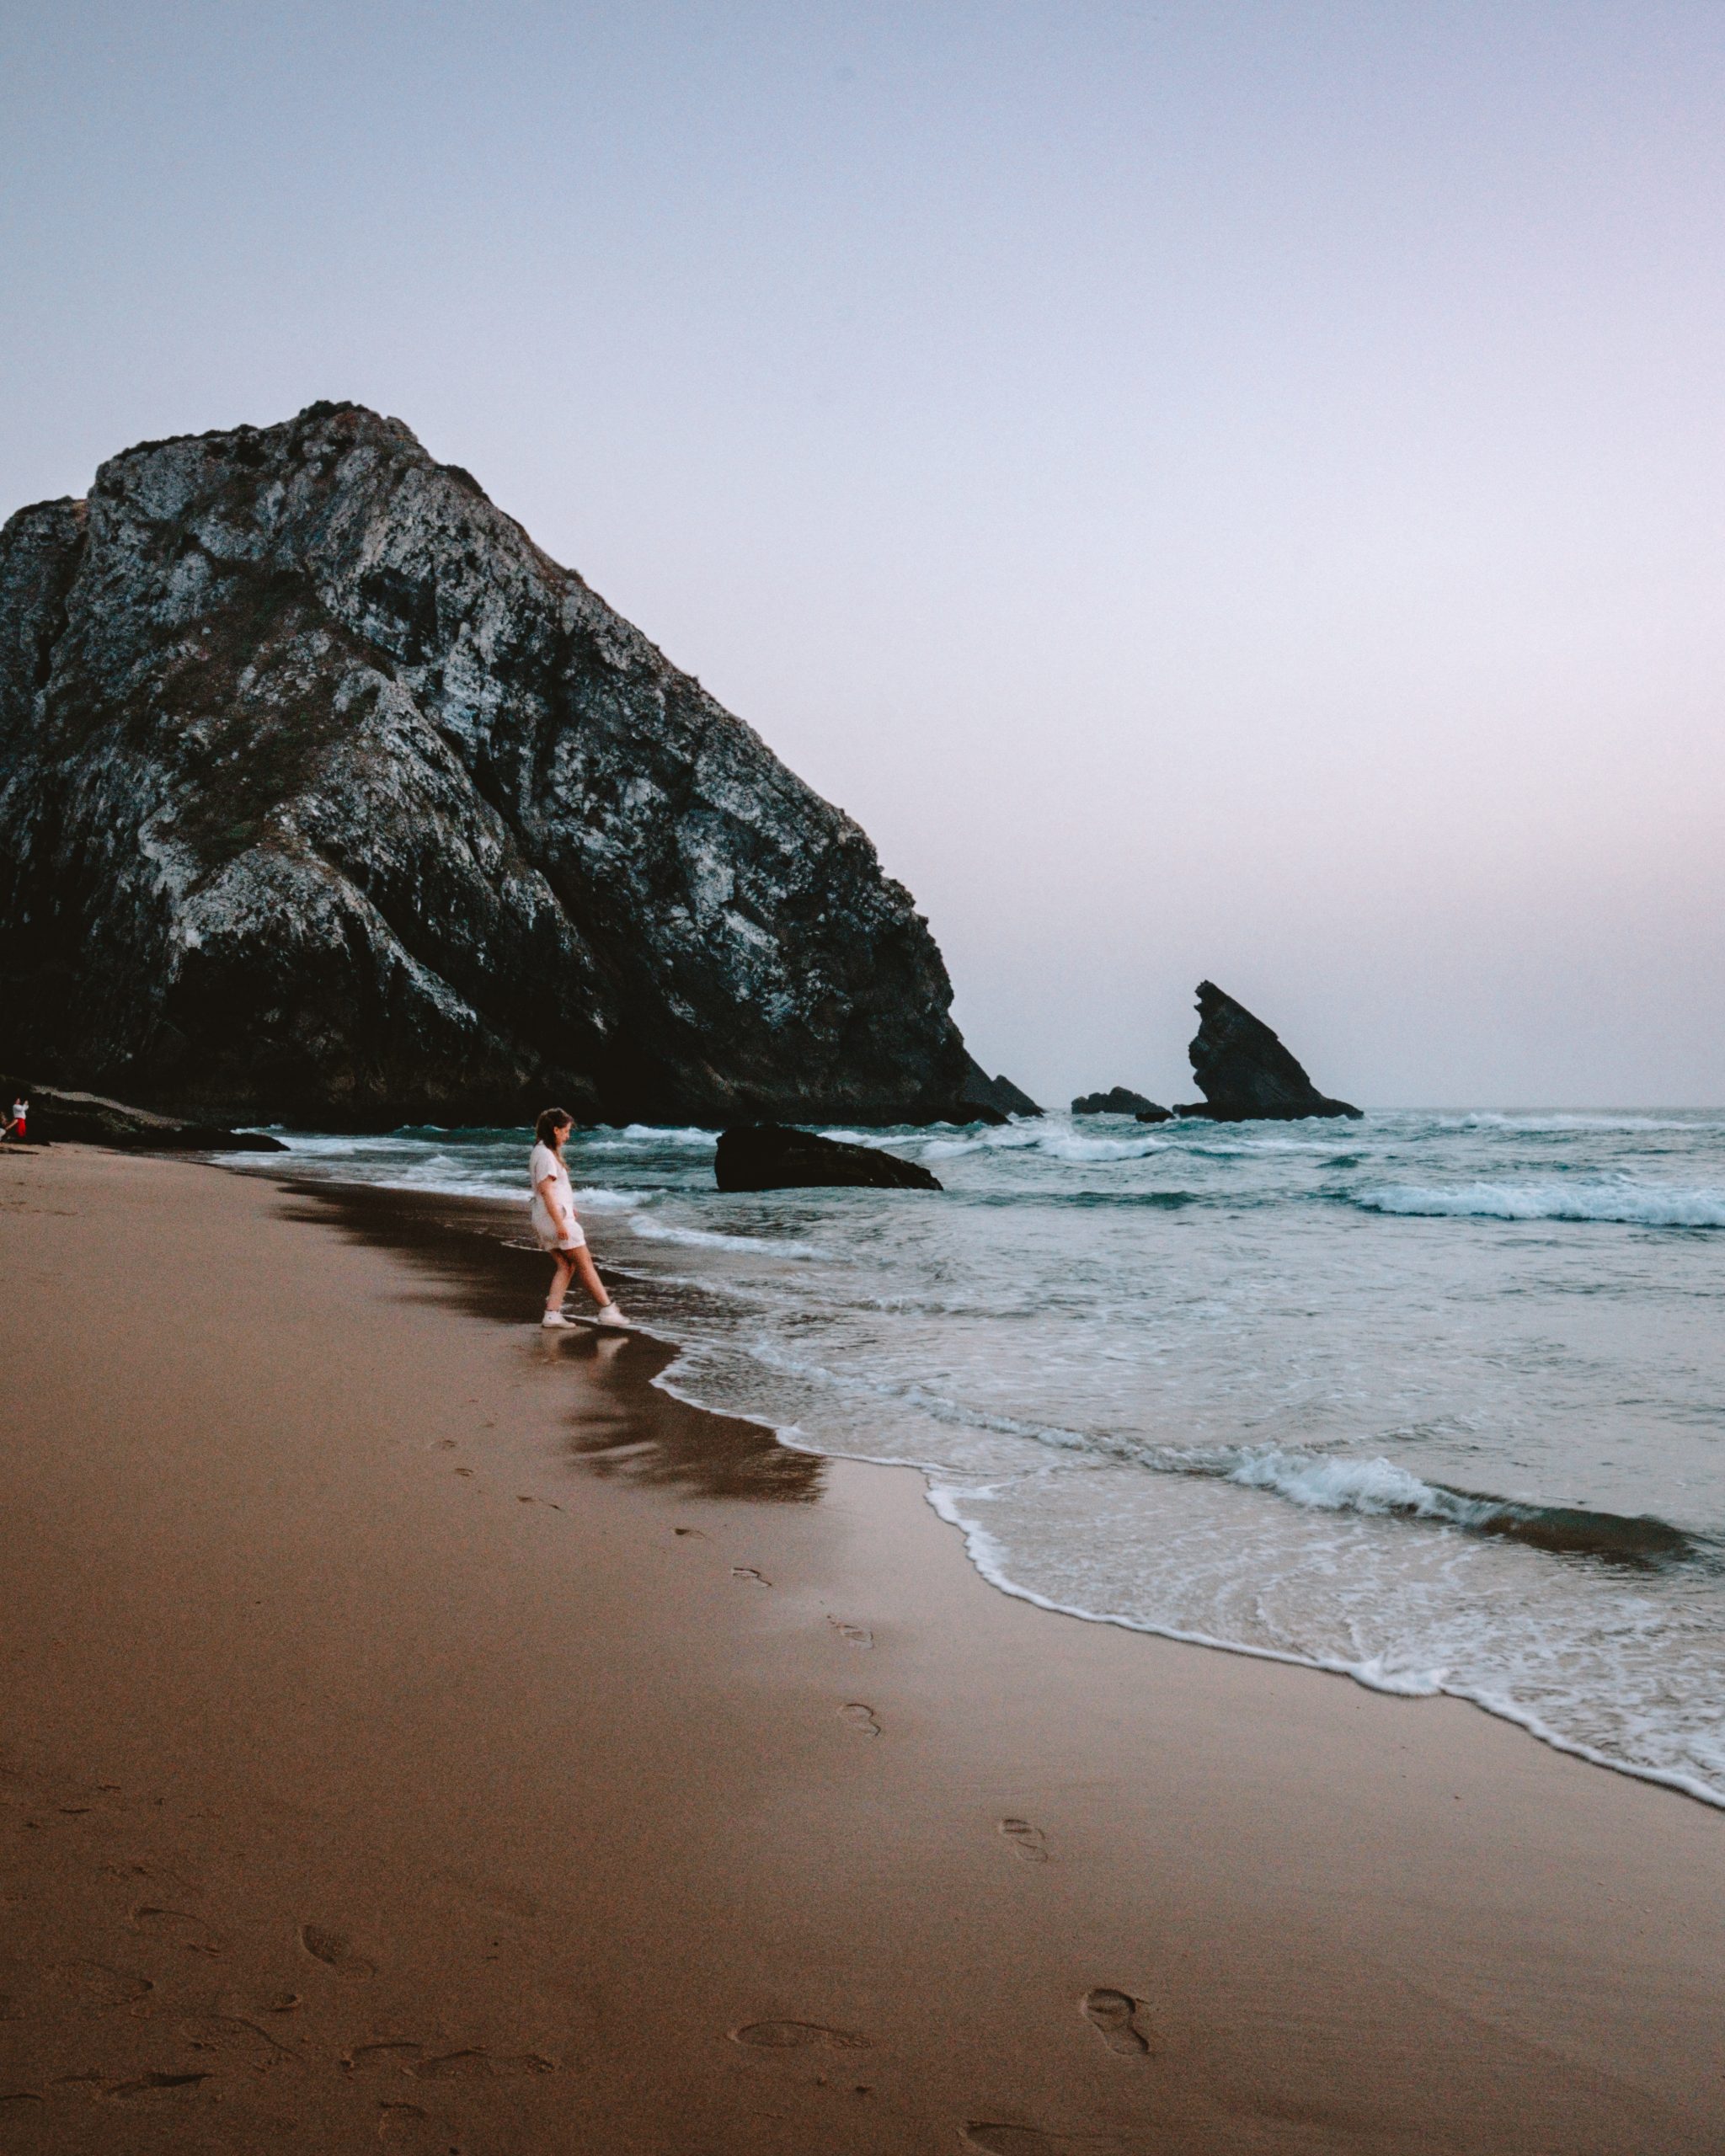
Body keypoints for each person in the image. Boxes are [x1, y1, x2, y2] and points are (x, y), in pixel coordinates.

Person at [530, 1108, 628, 1329]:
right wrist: (559, 1223)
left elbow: (551, 1190)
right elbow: (546, 1190)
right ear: (555, 1130)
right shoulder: (546, 1155)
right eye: (565, 1132)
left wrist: (569, 1207)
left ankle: (552, 1314)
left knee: (567, 1266)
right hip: (556, 1220)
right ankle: (607, 1310)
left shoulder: (540, 1150)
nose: (567, 1136)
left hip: (545, 1218)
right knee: (585, 1263)